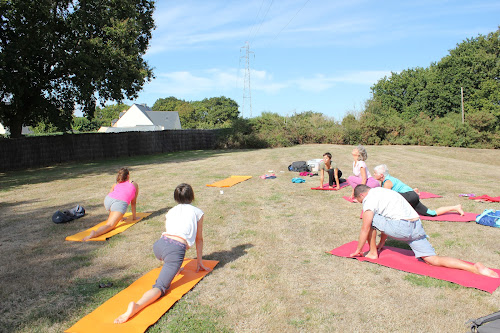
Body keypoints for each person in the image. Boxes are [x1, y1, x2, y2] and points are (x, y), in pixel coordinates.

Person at [349, 185, 498, 278]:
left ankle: (373, 253)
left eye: (360, 201)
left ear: (362, 195)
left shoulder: (369, 200)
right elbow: (389, 216)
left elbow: (366, 228)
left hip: (403, 228)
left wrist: (358, 250)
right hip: (416, 227)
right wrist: (382, 242)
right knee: (432, 259)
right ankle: (474, 268)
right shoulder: (383, 191)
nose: (362, 204)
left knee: (370, 219)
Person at [114, 183, 211, 324]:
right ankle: (137, 306)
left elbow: (170, 230)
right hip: (174, 251)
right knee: (161, 287)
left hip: (159, 246)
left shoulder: (170, 211)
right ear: (192, 196)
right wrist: (199, 262)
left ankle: (173, 267)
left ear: (176, 197)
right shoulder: (197, 212)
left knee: (172, 257)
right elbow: (199, 239)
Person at [373, 164, 464, 217]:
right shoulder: (387, 180)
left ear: (381, 175)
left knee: (392, 198)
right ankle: (455, 207)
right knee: (431, 213)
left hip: (409, 196)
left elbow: (385, 198)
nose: (374, 174)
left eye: (375, 173)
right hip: (412, 195)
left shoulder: (387, 182)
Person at [83, 168, 139, 241]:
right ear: (128, 176)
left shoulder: (115, 184)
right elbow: (133, 203)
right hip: (119, 203)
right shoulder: (134, 184)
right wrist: (134, 218)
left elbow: (111, 195)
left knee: (114, 210)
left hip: (108, 200)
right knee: (110, 225)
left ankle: (120, 218)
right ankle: (95, 234)